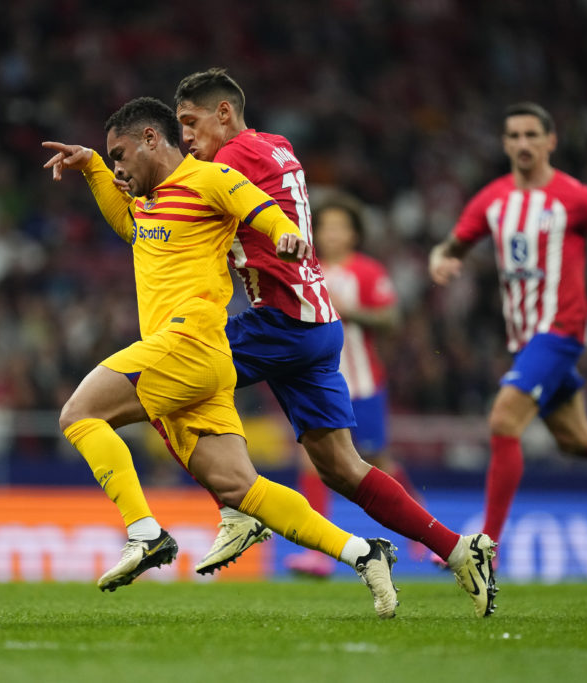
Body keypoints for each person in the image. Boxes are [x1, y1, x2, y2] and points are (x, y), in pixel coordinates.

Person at [42, 96, 400, 619]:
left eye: (119, 153)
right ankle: (365, 553)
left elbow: (260, 208)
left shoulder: (208, 180)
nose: (118, 167)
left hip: (189, 343)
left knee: (79, 414)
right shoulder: (150, 205)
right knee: (239, 486)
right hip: (202, 364)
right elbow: (127, 224)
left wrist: (287, 237)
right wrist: (92, 167)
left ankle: (144, 532)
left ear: (149, 140)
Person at [173, 68, 496, 617]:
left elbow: (181, 207)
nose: (186, 137)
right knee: (343, 469)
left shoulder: (229, 161)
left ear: (224, 113)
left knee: (169, 382)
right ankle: (460, 550)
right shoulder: (277, 147)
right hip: (318, 326)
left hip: (279, 322)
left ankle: (238, 509)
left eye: (190, 121)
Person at [428, 102, 587, 552]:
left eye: (532, 135)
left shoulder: (577, 197)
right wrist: (440, 258)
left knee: (503, 418)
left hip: (562, 331)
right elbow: (450, 246)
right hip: (526, 341)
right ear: (504, 143)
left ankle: (484, 551)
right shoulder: (492, 200)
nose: (523, 143)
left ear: (551, 141)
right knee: (577, 438)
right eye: (514, 136)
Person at [284, 194, 427, 577]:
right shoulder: (304, 267)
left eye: (340, 227)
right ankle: (318, 551)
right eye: (326, 227)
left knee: (378, 462)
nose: (332, 234)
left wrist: (349, 313)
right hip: (316, 382)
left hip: (362, 383)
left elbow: (391, 318)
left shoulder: (366, 271)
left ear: (353, 234)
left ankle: (427, 536)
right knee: (311, 459)